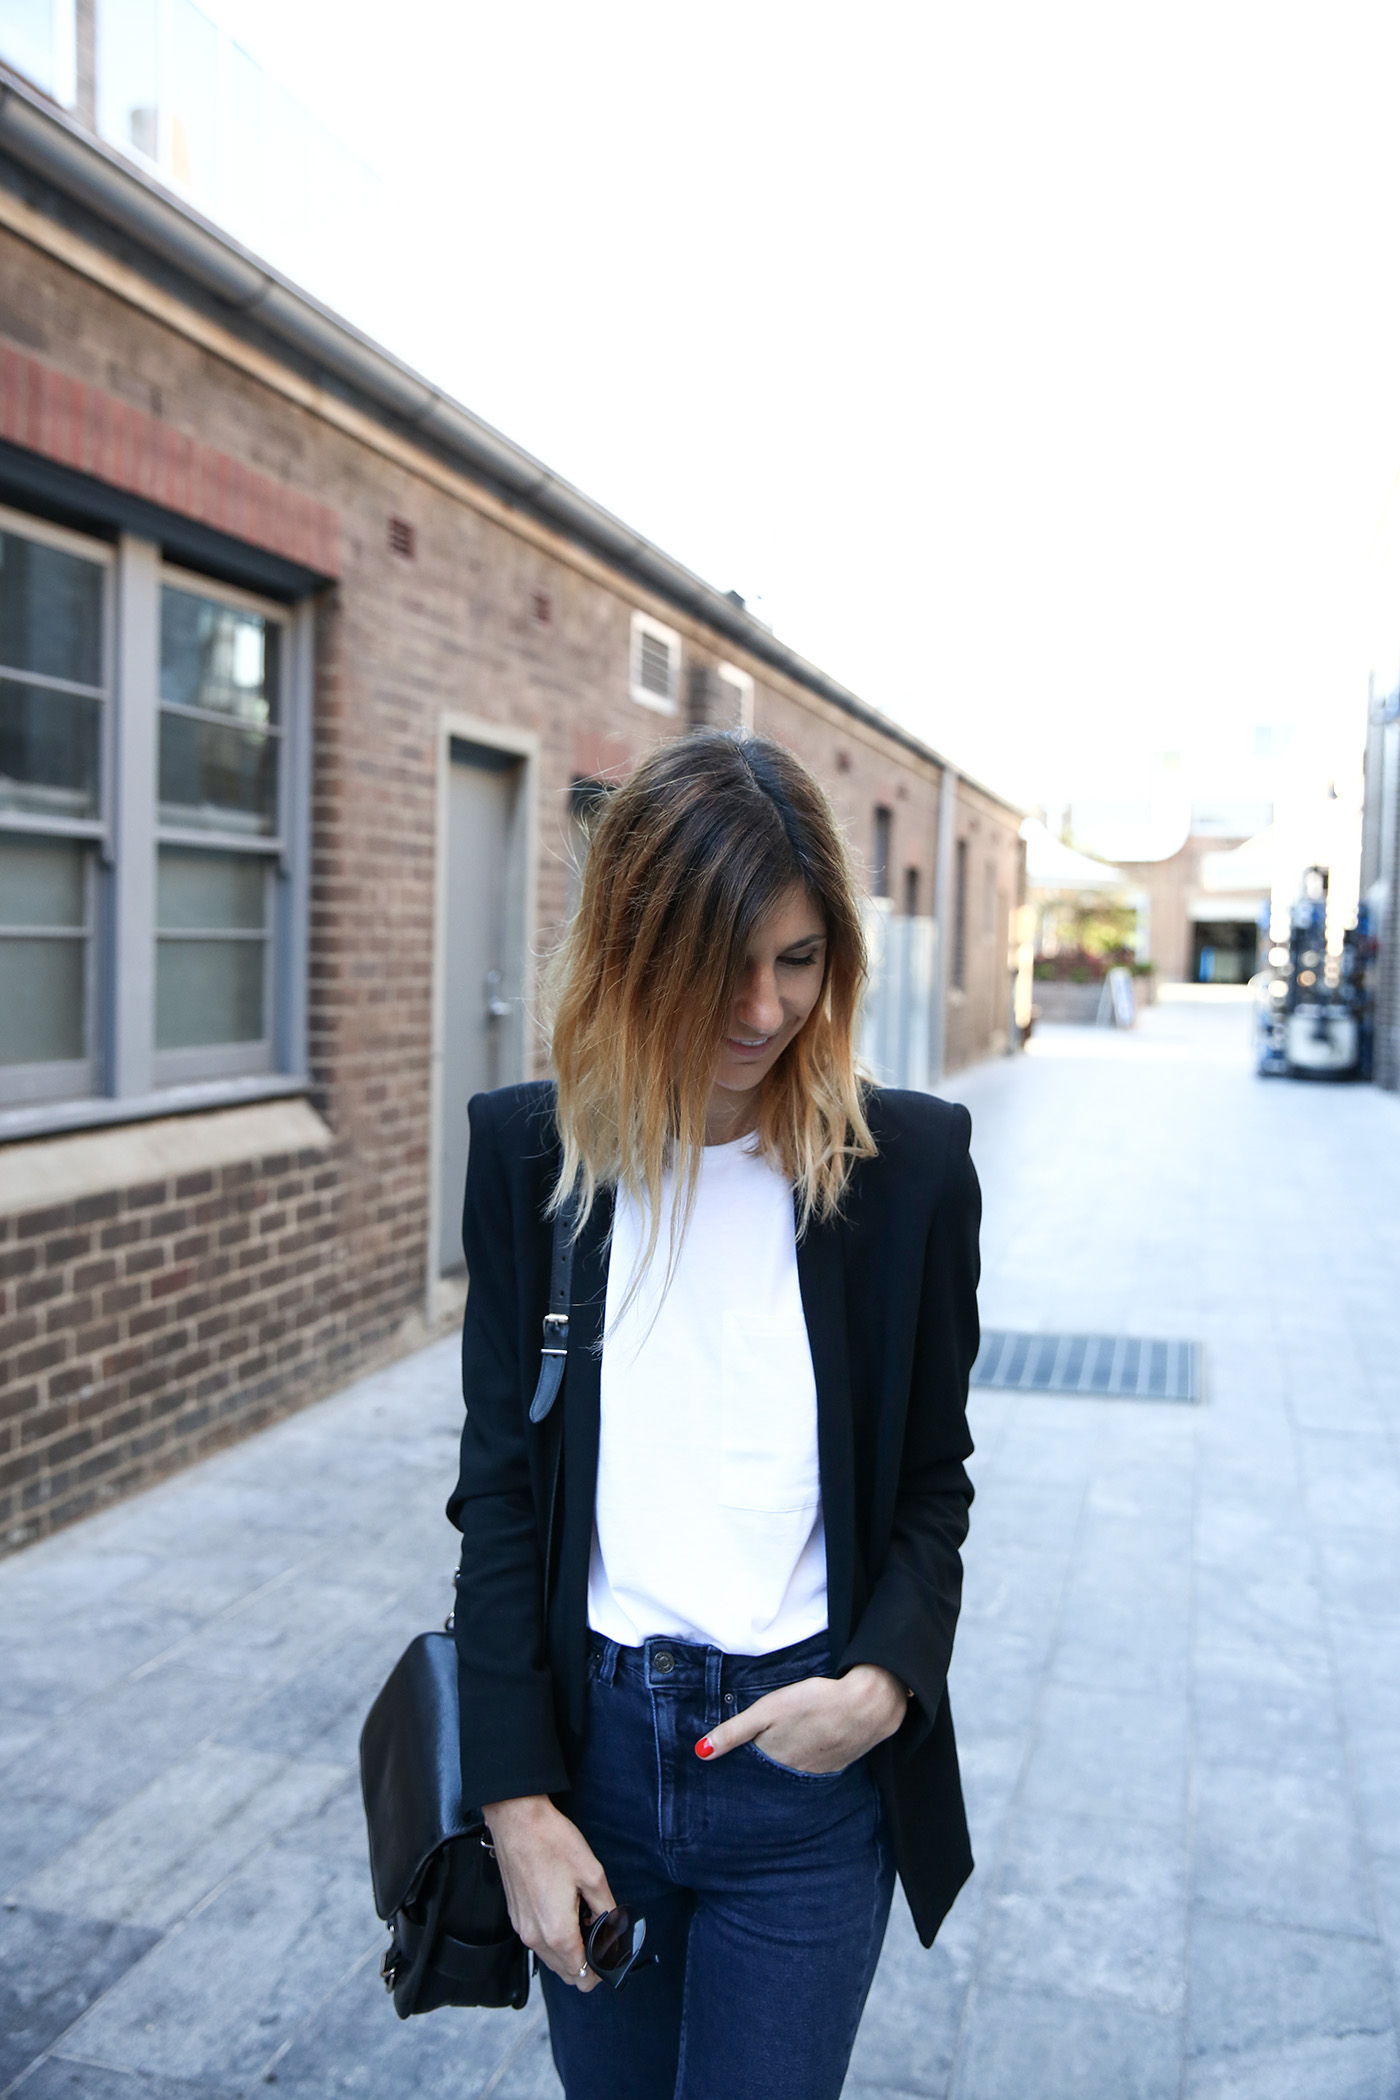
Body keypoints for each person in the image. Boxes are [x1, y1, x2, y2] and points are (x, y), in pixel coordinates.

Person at [447, 731, 980, 2100]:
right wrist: (515, 1804)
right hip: (597, 1761)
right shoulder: (530, 1157)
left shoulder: (907, 1169)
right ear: (631, 951)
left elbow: (932, 1482)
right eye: (719, 964)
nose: (761, 1008)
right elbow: (503, 1492)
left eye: (798, 960)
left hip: (806, 1779)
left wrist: (881, 1686)